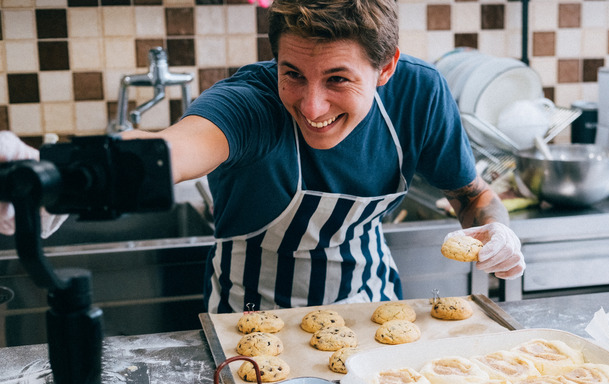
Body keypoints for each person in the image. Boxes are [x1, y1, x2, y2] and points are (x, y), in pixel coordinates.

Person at [0, 0, 525, 313]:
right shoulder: (251, 102)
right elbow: (169, 149)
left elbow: (472, 195)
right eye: (292, 73)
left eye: (338, 80)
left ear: (385, 71)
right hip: (248, 321)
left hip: (373, 313)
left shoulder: (419, 94)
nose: (310, 105)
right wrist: (48, 174)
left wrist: (497, 229)